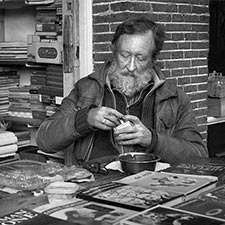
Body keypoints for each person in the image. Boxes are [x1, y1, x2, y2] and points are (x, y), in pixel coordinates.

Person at [36, 16, 208, 167]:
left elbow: (199, 156)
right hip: (94, 183)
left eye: (140, 58)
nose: (131, 67)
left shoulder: (175, 98)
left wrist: (152, 140)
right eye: (125, 55)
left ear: (154, 59)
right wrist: (84, 119)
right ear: (113, 49)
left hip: (152, 187)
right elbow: (44, 140)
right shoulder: (86, 88)